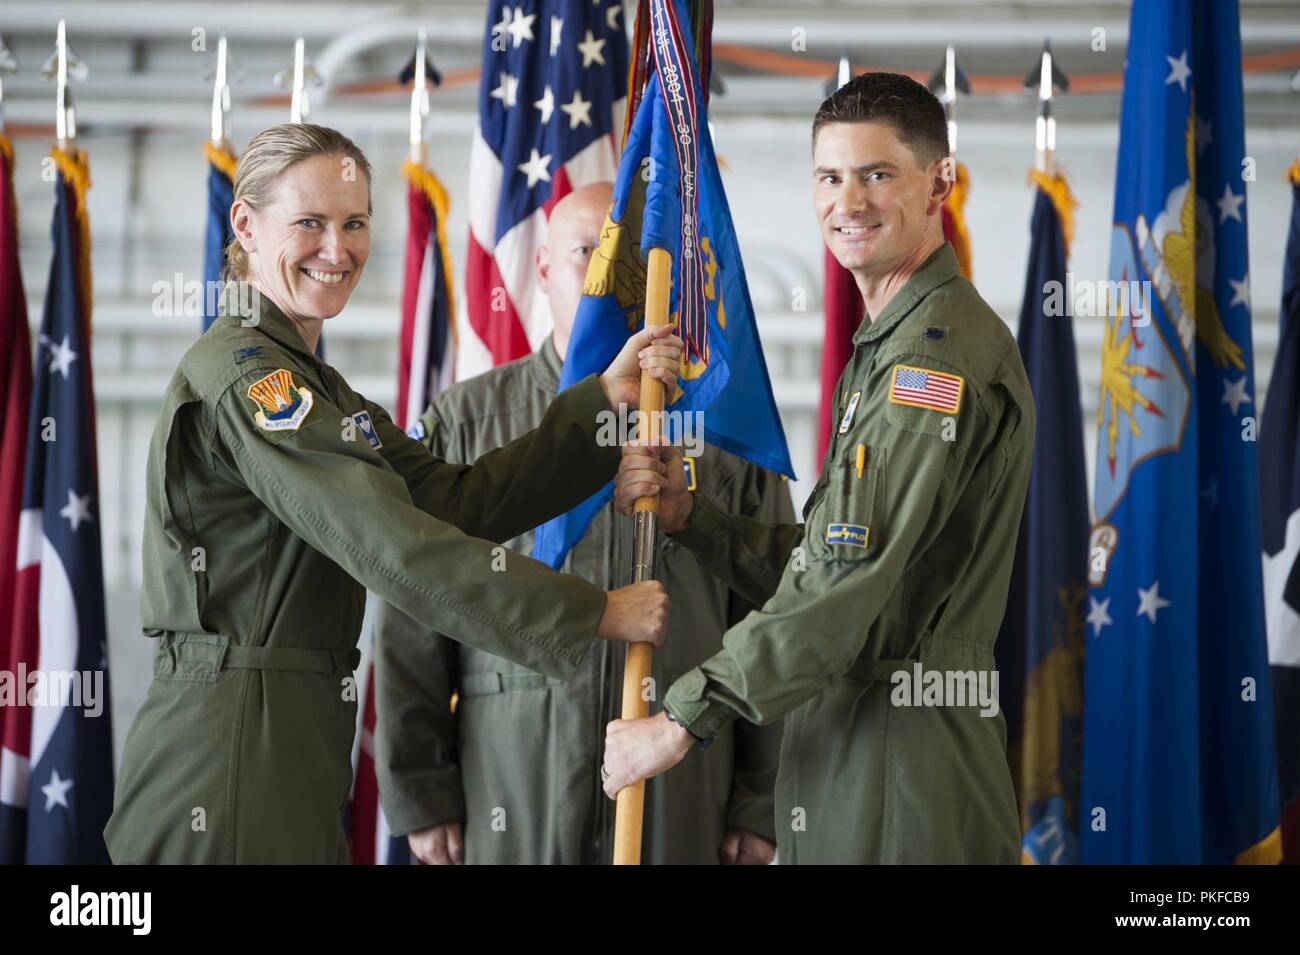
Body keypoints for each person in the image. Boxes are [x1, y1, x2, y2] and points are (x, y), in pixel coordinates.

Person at [103, 124, 684, 864]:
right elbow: (391, 542)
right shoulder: (253, 377)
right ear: (245, 225)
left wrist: (600, 401)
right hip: (232, 750)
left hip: (291, 738)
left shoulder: (315, 381)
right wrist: (592, 610)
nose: (336, 249)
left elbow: (452, 499)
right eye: (309, 223)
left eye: (354, 223)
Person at [602, 72, 1036, 864]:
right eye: (830, 177)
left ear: (941, 181)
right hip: (853, 741)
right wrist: (691, 520)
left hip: (902, 759)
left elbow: (845, 583)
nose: (850, 202)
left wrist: (681, 717)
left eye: (878, 174)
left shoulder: (928, 364)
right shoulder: (890, 346)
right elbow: (828, 560)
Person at [375, 183, 791, 865]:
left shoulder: (718, 431)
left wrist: (760, 799)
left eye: (626, 262)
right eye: (584, 255)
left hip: (684, 789)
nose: (606, 281)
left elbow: (773, 609)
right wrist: (423, 790)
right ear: (540, 269)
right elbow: (410, 610)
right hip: (510, 785)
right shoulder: (472, 421)